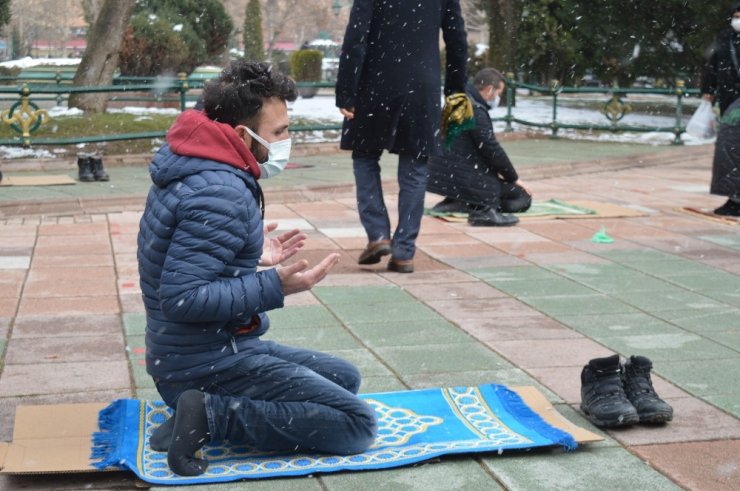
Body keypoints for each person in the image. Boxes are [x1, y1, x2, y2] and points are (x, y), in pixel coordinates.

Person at [136, 60, 378, 477]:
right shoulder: (220, 193)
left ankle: (195, 406)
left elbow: (180, 265)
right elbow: (180, 298)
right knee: (357, 425)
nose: (287, 141)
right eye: (279, 132)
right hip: (206, 364)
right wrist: (274, 285)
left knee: (344, 378)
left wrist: (247, 258)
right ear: (240, 134)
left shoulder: (195, 165)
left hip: (197, 352)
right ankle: (208, 415)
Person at [336, 0, 468, 273]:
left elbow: (356, 35)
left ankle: (377, 235)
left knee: (365, 156)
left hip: (375, 82)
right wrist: (455, 90)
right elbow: (457, 38)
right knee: (415, 167)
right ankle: (404, 250)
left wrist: (346, 91)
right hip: (422, 86)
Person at [427, 68, 532, 226]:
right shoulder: (475, 110)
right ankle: (480, 209)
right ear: (490, 89)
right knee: (522, 197)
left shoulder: (459, 101)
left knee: (495, 184)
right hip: (465, 177)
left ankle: (458, 201)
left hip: (444, 177)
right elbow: (492, 150)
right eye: (499, 93)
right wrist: (514, 178)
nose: (497, 98)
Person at [701, 3, 740, 217]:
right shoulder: (725, 38)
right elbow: (713, 65)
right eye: (735, 16)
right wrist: (708, 89)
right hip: (730, 103)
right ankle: (734, 198)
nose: (737, 20)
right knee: (729, 150)